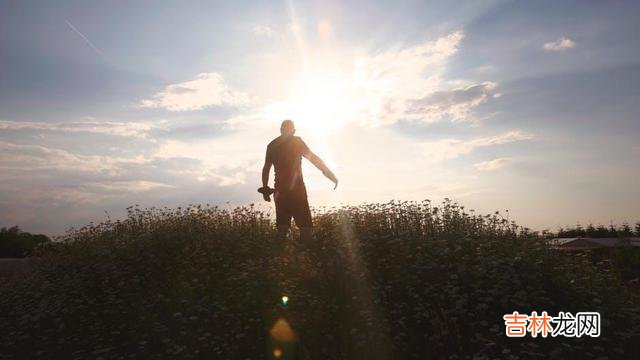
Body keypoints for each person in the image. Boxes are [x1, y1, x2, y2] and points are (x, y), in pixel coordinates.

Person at [260, 119, 338, 242]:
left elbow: (266, 168)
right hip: (297, 189)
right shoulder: (297, 142)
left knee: (282, 228)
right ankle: (306, 256)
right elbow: (313, 159)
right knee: (305, 227)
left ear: (280, 130)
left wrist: (265, 188)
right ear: (294, 130)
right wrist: (329, 174)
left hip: (280, 190)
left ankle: (279, 257)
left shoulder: (272, 145)